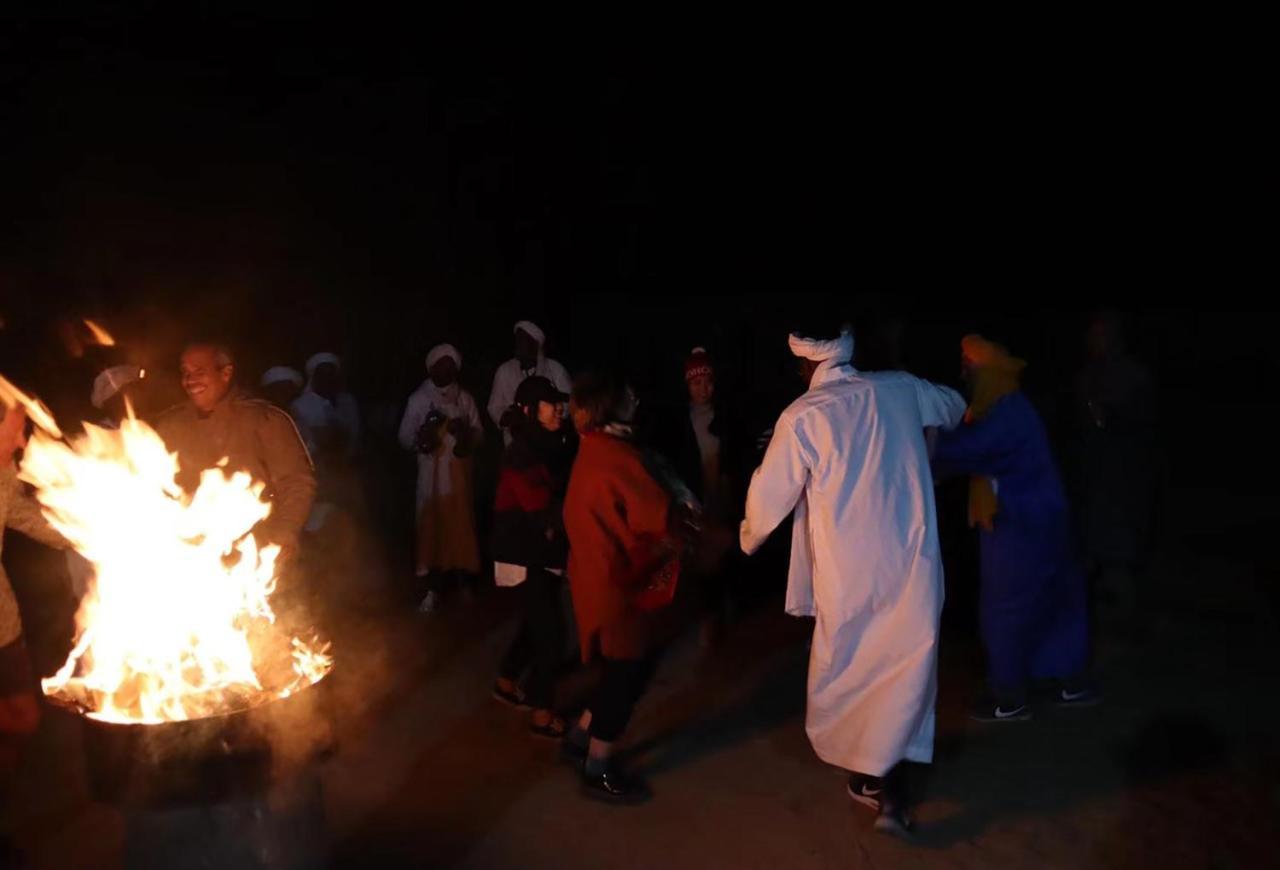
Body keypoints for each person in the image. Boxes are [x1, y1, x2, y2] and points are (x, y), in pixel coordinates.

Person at [739, 328, 966, 836]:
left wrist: (745, 538)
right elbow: (952, 406)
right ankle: (887, 788)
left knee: (856, 673)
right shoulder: (900, 388)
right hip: (912, 564)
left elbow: (765, 501)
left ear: (804, 365)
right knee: (906, 674)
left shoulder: (803, 416)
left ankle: (880, 783)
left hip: (851, 576)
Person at [933, 335, 1094, 722]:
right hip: (1044, 520)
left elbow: (963, 450)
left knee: (1005, 608)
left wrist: (918, 441)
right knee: (1056, 602)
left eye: (967, 366)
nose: (962, 374)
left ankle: (1008, 696)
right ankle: (1069, 682)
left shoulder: (1003, 413)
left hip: (1019, 527)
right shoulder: (1010, 405)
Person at [561, 372, 678, 803]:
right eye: (627, 398)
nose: (635, 401)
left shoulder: (593, 449)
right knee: (627, 676)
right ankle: (598, 768)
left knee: (615, 668)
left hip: (595, 579)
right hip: (618, 585)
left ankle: (577, 740)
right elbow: (655, 515)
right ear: (610, 408)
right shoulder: (618, 457)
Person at [155, 342, 316, 563]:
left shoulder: (264, 419)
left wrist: (285, 531)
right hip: (189, 555)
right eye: (185, 373)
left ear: (226, 373)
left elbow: (296, 482)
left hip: (256, 552)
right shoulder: (170, 425)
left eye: (199, 372)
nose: (190, 381)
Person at [492, 376, 576, 739]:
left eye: (558, 401)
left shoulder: (554, 443)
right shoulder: (521, 453)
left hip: (543, 550)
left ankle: (507, 680)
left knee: (536, 621)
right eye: (548, 403)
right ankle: (542, 712)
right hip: (525, 552)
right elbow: (539, 507)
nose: (558, 407)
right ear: (529, 410)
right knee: (551, 632)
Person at [657, 347, 745, 644]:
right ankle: (711, 619)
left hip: (722, 497)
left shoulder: (725, 415)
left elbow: (735, 457)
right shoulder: (681, 421)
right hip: (696, 500)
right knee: (704, 561)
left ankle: (729, 612)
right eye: (696, 383)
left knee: (728, 552)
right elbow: (672, 463)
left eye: (708, 382)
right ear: (686, 385)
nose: (703, 389)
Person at [1075, 312, 1155, 625]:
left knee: (1119, 551)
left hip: (1123, 478)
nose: (1095, 342)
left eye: (1101, 335)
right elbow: (1085, 422)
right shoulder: (1086, 376)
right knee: (1092, 548)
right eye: (1093, 335)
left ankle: (1123, 620)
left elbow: (1130, 421)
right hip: (1093, 478)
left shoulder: (1134, 377)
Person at [0, 402, 68, 772]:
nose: (22, 438)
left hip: (3, 622)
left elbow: (20, 514)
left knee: (25, 717)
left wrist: (81, 527)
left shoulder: (4, 470)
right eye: (15, 429)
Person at [398, 344, 483, 613]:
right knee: (432, 529)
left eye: (450, 365)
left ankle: (463, 585)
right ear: (431, 368)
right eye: (440, 365)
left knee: (460, 528)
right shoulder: (419, 400)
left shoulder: (465, 399)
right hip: (431, 478)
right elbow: (404, 438)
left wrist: (464, 432)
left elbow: (479, 434)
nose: (445, 369)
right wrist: (426, 433)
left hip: (458, 476)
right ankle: (431, 591)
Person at [488, 321, 572, 446]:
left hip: (550, 445)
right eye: (517, 340)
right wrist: (509, 417)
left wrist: (544, 414)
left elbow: (570, 404)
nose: (518, 345)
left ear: (535, 344)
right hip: (516, 446)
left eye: (523, 341)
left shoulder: (555, 370)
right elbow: (494, 407)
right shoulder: (504, 371)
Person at [291, 352, 361, 461]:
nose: (327, 379)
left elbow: (355, 433)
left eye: (331, 374)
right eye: (322, 374)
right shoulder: (300, 404)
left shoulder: (348, 401)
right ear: (313, 377)